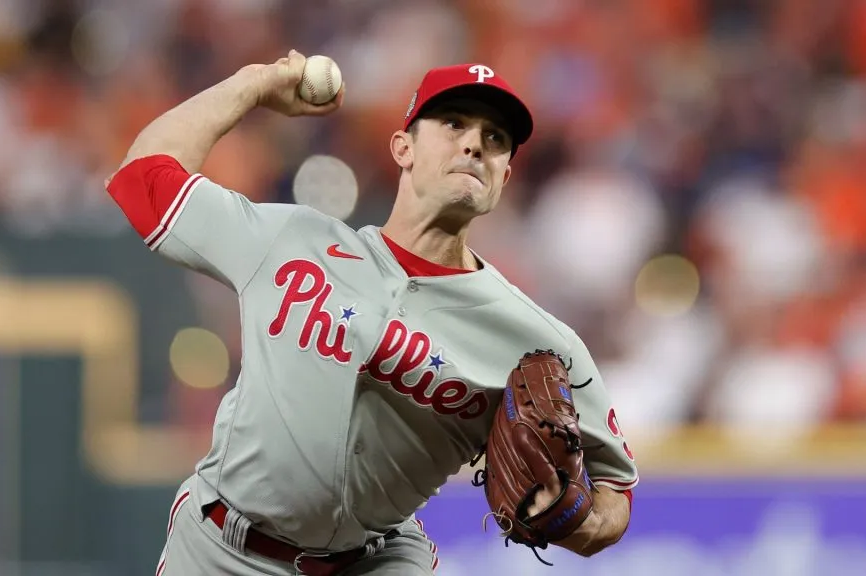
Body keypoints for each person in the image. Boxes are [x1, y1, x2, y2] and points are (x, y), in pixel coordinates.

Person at [105, 49, 639, 576]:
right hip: (221, 549)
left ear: (504, 177)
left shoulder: (538, 339)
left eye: (495, 139)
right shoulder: (291, 240)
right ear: (403, 147)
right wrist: (253, 85)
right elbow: (143, 176)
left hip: (376, 561)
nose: (475, 143)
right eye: (454, 124)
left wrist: (579, 523)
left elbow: (616, 490)